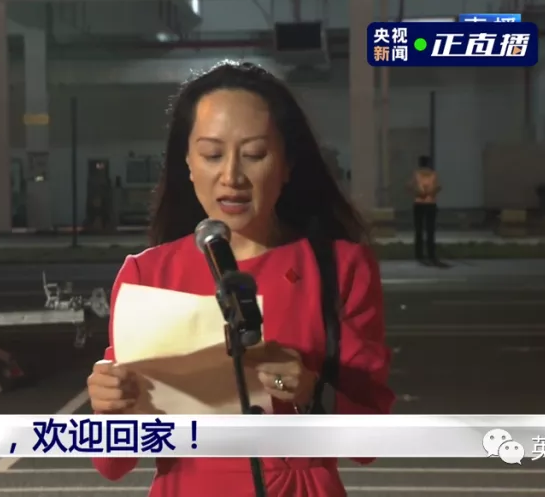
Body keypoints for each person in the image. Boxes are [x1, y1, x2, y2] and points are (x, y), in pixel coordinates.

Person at [86, 61, 394, 497]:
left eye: (254, 154)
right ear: (187, 162)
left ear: (287, 164)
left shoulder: (341, 268)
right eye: (212, 155)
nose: (231, 177)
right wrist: (109, 408)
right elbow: (113, 463)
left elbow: (372, 440)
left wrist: (310, 391)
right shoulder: (147, 275)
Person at [408, 156, 446, 267]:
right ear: (429, 163)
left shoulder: (416, 174)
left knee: (418, 230)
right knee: (430, 231)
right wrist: (431, 192)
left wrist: (418, 192)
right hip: (430, 203)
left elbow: (409, 186)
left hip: (419, 203)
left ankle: (419, 254)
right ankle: (431, 254)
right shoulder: (433, 174)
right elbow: (438, 187)